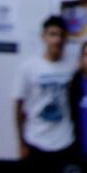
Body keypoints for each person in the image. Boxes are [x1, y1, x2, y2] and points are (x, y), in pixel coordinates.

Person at [13, 16, 77, 164]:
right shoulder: (28, 67)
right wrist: (21, 142)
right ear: (43, 37)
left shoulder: (72, 66)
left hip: (65, 142)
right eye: (52, 34)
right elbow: (18, 106)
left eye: (61, 35)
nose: (57, 39)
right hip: (36, 141)